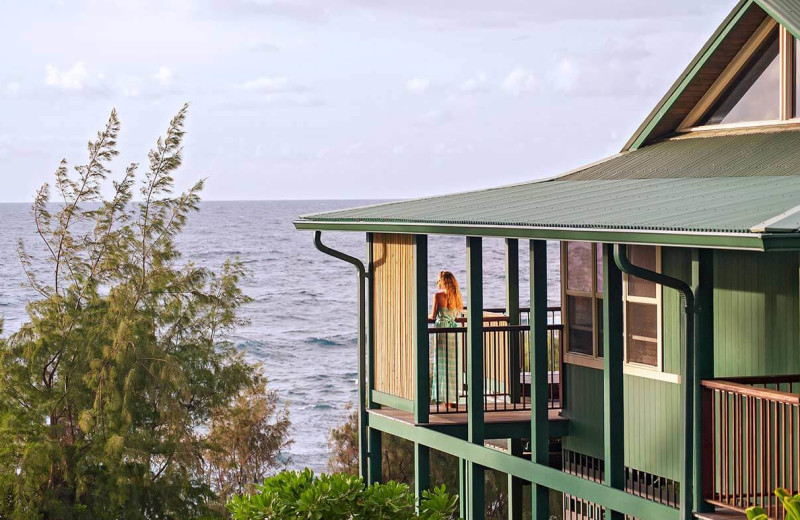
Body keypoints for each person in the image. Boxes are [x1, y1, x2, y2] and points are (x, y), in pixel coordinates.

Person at [430, 271, 463, 407]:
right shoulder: (456, 296)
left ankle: (444, 399)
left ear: (443, 282)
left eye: (438, 280)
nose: (437, 283)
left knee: (441, 365)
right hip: (453, 332)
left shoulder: (438, 296)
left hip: (442, 331)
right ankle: (450, 399)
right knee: (452, 366)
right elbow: (456, 316)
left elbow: (432, 316)